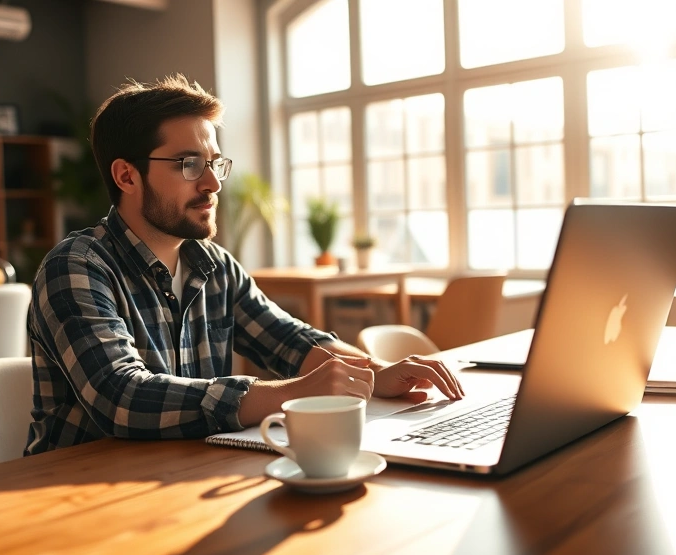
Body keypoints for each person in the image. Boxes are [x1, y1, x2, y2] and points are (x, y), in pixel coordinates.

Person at [25, 75, 462, 455]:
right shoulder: (77, 267)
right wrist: (288, 394)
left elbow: (292, 342)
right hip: (74, 495)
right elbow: (120, 397)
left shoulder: (214, 266)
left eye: (214, 163)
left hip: (177, 477)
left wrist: (375, 372)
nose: (213, 183)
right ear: (127, 176)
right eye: (189, 164)